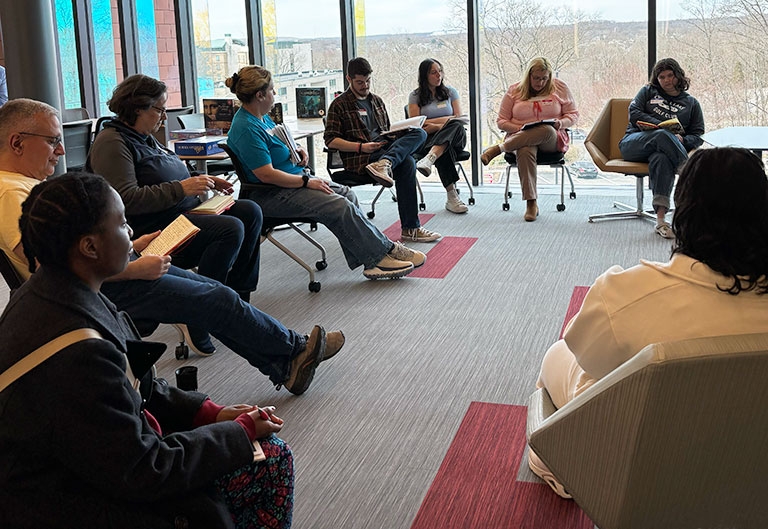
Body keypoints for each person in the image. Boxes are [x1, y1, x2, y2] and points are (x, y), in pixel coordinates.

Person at [0, 172, 296, 528]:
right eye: (122, 224)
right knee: (270, 458)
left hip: (92, 463)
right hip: (64, 501)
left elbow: (134, 383)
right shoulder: (78, 352)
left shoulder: (52, 293)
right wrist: (239, 432)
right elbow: (145, 470)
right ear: (90, 247)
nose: (130, 234)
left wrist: (208, 413)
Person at [0, 98, 343, 394]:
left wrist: (132, 245)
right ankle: (291, 355)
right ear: (17, 143)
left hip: (112, 271)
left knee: (215, 291)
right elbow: (49, 271)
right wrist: (133, 267)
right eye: (53, 141)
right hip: (100, 290)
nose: (62, 151)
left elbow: (72, 250)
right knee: (216, 298)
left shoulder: (23, 186)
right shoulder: (11, 194)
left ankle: (288, 361)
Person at [529, 147, 768, 498]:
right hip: (746, 456)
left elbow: (584, 354)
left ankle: (563, 463)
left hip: (642, 461)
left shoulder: (628, 293)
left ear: (683, 210)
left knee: (560, 353)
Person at [226, 65, 427, 280]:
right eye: (272, 90)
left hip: (292, 181)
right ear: (260, 95)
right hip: (271, 192)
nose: (275, 94)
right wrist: (306, 182)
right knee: (339, 205)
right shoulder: (246, 128)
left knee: (347, 195)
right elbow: (266, 174)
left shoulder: (262, 117)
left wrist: (298, 149)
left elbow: (278, 143)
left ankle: (373, 257)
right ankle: (381, 254)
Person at [88, 74, 262, 301]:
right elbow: (125, 199)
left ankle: (239, 296)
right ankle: (209, 301)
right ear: (138, 108)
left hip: (182, 214)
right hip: (154, 229)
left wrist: (200, 178)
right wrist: (182, 189)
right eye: (160, 110)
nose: (163, 116)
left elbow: (165, 174)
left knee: (250, 211)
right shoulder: (113, 142)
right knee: (229, 229)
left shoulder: (144, 137)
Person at [325, 57, 442, 243]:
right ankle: (411, 228)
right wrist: (361, 147)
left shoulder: (377, 101)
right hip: (362, 156)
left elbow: (386, 131)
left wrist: (399, 133)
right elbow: (331, 140)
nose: (365, 86)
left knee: (419, 133)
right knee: (407, 163)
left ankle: (386, 163)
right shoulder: (339, 105)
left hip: (384, 149)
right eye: (360, 82)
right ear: (349, 79)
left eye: (368, 81)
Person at [481, 57, 579, 222]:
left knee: (546, 130)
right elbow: (501, 121)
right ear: (529, 76)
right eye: (536, 78)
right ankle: (531, 203)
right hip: (519, 137)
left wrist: (560, 123)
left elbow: (573, 115)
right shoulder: (514, 91)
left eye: (544, 78)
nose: (540, 83)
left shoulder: (560, 88)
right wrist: (520, 129)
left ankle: (499, 149)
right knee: (525, 148)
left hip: (551, 139)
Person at [619, 57, 705, 239]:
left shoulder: (691, 103)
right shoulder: (647, 91)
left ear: (678, 76)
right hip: (634, 144)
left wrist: (682, 140)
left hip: (665, 150)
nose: (666, 80)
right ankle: (690, 176)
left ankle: (661, 221)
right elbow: (634, 113)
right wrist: (662, 127)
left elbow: (698, 135)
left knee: (662, 159)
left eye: (670, 75)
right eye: (662, 77)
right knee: (662, 135)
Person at [408, 58, 469, 214]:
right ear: (425, 75)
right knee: (444, 149)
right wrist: (445, 121)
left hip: (456, 136)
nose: (438, 75)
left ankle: (430, 158)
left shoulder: (450, 92)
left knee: (456, 126)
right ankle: (452, 197)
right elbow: (416, 124)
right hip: (429, 140)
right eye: (434, 72)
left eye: (440, 71)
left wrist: (436, 125)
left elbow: (458, 118)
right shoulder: (415, 96)